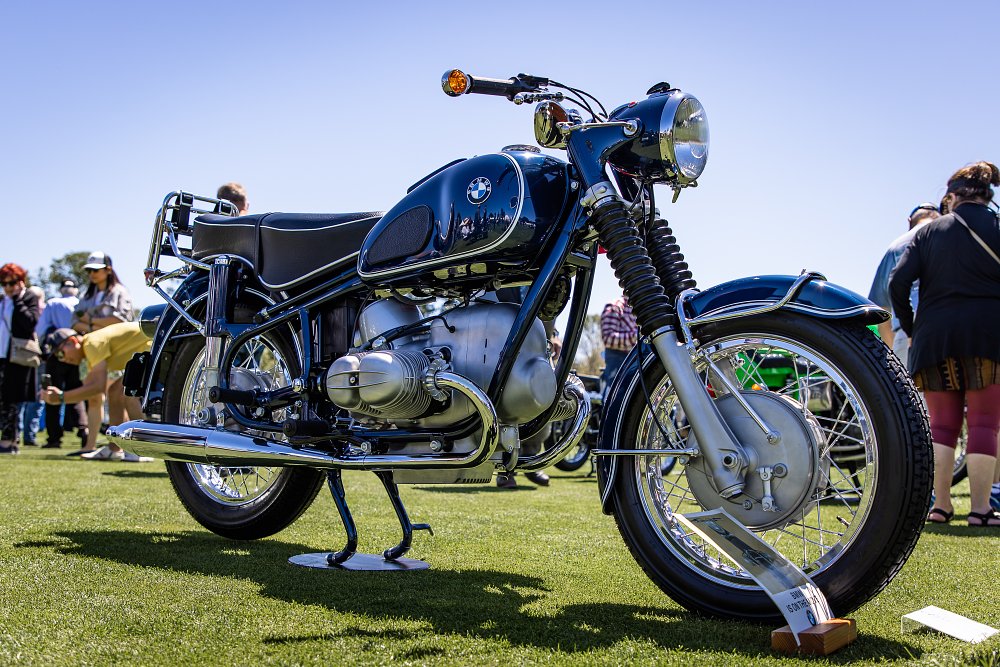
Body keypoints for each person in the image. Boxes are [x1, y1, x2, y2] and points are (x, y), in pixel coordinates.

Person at [889, 161, 1000, 527]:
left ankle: (941, 506)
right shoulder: (997, 226)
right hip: (988, 336)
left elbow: (897, 284)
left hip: (934, 339)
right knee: (984, 424)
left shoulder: (928, 233)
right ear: (987, 195)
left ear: (951, 197)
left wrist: (912, 325)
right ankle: (981, 510)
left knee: (941, 425)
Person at [41, 323, 153, 462]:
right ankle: (114, 448)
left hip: (153, 349)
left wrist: (61, 397)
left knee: (127, 395)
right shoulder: (90, 349)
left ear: (73, 341)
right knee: (115, 392)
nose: (62, 360)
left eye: (60, 353)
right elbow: (94, 394)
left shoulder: (91, 345)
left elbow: (97, 388)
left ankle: (142, 449)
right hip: (148, 352)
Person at [72, 251, 134, 454]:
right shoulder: (87, 295)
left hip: (117, 353)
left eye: (95, 270)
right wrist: (98, 322)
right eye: (89, 270)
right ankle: (91, 445)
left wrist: (89, 320)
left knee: (117, 395)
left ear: (108, 269)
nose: (91, 274)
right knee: (95, 397)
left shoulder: (119, 292)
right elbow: (74, 322)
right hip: (95, 352)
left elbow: (119, 322)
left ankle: (120, 446)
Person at [868, 203, 941, 363]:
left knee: (911, 388)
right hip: (952, 330)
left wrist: (893, 357)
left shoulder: (896, 246)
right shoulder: (952, 239)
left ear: (910, 221)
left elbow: (882, 311)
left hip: (909, 333)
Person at [35, 279, 87, 449]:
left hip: (56, 353)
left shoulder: (52, 303)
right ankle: (83, 429)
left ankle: (54, 437)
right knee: (76, 392)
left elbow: (41, 330)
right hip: (77, 350)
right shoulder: (81, 303)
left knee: (51, 394)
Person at [0, 264, 41, 455]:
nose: (8, 287)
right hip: (2, 354)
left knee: (12, 399)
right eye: (4, 283)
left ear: (20, 281)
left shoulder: (28, 297)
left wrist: (18, 301)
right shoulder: (2, 300)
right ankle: (9, 438)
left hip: (17, 355)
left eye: (11, 283)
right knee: (3, 399)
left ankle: (9, 441)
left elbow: (30, 322)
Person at [19, 285, 47, 446]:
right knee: (37, 398)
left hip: (21, 357)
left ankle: (19, 432)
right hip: (39, 359)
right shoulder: (41, 311)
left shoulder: (20, 310)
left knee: (22, 398)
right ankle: (29, 435)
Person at [600, 294, 638, 392]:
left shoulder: (638, 308)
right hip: (618, 360)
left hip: (635, 360)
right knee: (615, 393)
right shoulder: (615, 306)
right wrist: (635, 336)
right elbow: (608, 338)